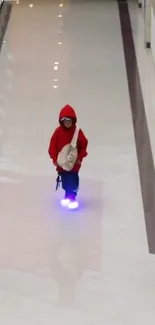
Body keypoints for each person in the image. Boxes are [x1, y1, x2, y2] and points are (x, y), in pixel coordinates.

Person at [48, 104, 88, 201]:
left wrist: (80, 158)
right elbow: (52, 146)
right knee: (65, 179)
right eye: (65, 121)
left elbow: (83, 144)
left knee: (73, 178)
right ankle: (68, 193)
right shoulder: (58, 132)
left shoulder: (77, 132)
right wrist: (54, 158)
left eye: (69, 121)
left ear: (73, 121)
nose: (67, 123)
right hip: (62, 163)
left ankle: (72, 195)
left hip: (73, 163)